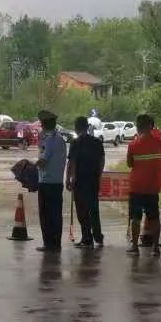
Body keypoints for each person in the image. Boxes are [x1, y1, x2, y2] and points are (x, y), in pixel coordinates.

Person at [126, 113, 161, 255]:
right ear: (151, 126)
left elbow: (129, 163)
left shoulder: (133, 145)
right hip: (152, 187)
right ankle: (156, 248)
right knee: (154, 218)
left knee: (136, 218)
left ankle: (135, 248)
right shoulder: (160, 144)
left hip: (137, 187)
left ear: (139, 126)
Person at [66, 115, 105, 248]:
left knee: (82, 210)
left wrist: (69, 178)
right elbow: (101, 161)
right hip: (93, 180)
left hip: (80, 181)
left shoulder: (76, 143)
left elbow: (72, 162)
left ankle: (87, 237)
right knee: (94, 209)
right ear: (87, 127)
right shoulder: (97, 142)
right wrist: (98, 175)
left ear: (76, 128)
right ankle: (98, 236)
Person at [35, 108, 66, 253]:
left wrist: (29, 168)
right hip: (57, 182)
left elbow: (43, 161)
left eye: (41, 124)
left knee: (46, 215)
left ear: (44, 124)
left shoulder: (50, 140)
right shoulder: (59, 138)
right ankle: (56, 243)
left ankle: (48, 244)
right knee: (56, 214)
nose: (40, 126)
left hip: (47, 183)